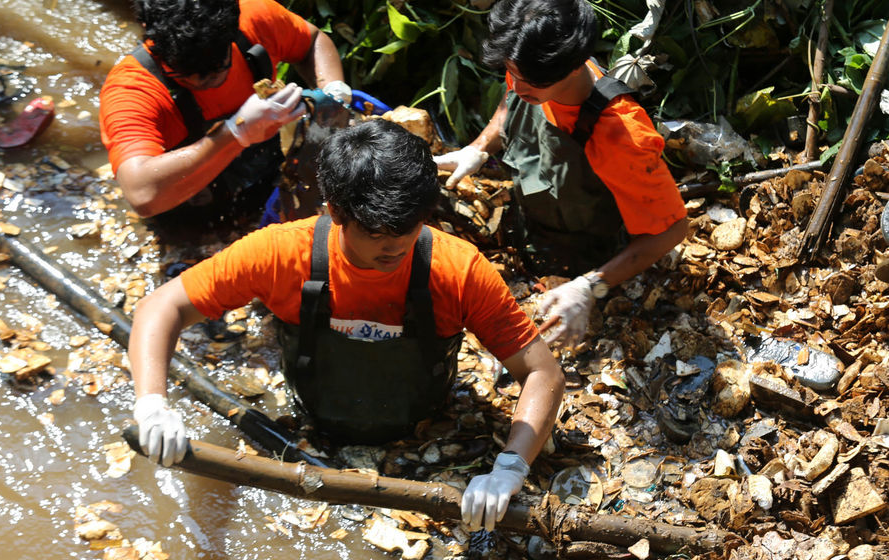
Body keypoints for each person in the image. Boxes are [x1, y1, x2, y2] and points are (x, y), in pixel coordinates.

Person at [128, 120, 566, 532]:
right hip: (311, 421)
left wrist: (510, 467)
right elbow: (160, 308)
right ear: (335, 211)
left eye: (408, 227)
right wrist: (152, 404)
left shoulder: (459, 269)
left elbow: (542, 372)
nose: (395, 245)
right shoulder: (280, 254)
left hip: (421, 424)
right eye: (376, 232)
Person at [434, 0, 689, 346]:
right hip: (534, 224)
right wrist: (477, 150)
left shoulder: (622, 135)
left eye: (527, 83)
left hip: (594, 260)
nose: (517, 86)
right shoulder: (532, 66)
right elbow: (510, 100)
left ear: (571, 69)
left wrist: (590, 286)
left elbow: (672, 230)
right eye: (513, 74)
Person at [99, 0, 350, 233]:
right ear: (150, 37)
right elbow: (141, 194)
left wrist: (333, 92)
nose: (206, 80)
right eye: (186, 72)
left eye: (218, 65)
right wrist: (235, 132)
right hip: (190, 214)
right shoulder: (131, 89)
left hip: (268, 178)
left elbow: (313, 41)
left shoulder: (255, 17)